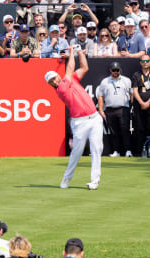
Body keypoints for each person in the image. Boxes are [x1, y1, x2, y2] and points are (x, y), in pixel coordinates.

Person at [44, 49, 102, 190]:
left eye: (55, 77)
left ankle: (94, 181)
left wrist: (79, 52)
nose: (55, 80)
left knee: (96, 149)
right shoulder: (61, 89)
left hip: (95, 118)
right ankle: (66, 179)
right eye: (52, 80)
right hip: (80, 122)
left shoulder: (70, 80)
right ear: (51, 84)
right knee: (76, 153)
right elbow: (70, 69)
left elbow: (84, 68)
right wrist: (71, 52)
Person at [96, 62, 132, 158]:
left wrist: (131, 107)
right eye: (114, 70)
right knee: (113, 132)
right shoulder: (105, 82)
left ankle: (128, 151)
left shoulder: (126, 80)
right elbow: (100, 96)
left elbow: (131, 94)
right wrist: (100, 110)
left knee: (125, 130)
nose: (116, 72)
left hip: (123, 108)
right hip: (110, 109)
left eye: (117, 70)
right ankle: (116, 151)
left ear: (120, 70)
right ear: (110, 70)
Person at [131, 56, 150, 158]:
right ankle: (139, 152)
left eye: (147, 61)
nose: (145, 63)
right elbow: (135, 91)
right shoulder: (136, 75)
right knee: (139, 128)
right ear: (140, 63)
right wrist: (141, 103)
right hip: (139, 106)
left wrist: (148, 102)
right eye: (143, 61)